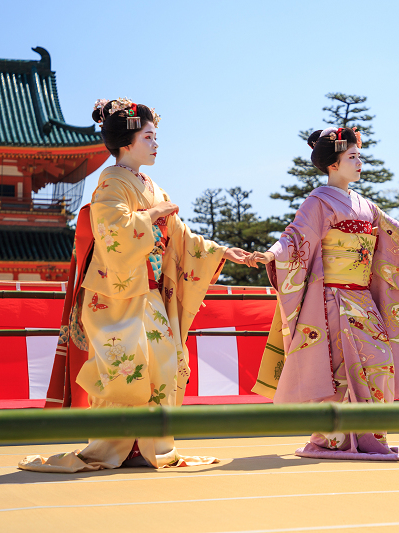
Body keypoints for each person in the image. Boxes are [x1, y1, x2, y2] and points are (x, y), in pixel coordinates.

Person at [19, 98, 250, 472]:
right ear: (127, 142)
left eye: (156, 136)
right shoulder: (111, 180)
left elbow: (181, 237)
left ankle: (150, 445)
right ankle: (112, 447)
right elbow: (111, 229)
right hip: (117, 294)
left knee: (164, 364)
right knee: (124, 366)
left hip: (150, 292)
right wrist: (153, 215)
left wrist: (222, 250)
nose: (156, 143)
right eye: (148, 136)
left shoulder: (151, 185)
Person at [248, 127, 399, 460]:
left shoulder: (366, 205)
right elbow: (295, 238)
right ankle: (333, 437)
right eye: (352, 157)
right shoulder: (318, 201)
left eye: (359, 156)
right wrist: (271, 254)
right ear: (333, 165)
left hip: (362, 298)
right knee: (339, 368)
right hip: (332, 299)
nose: (360, 162)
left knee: (379, 361)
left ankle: (371, 433)